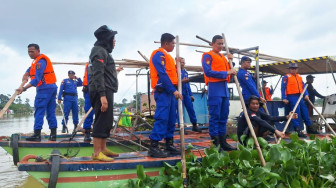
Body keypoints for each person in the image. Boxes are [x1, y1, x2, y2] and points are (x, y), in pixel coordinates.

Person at [148, 33, 183, 158]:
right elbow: (162, 74)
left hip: (170, 90)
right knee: (162, 117)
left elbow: (171, 73)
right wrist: (172, 90)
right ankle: (153, 146)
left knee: (171, 119)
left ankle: (169, 144)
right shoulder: (158, 55)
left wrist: (176, 64)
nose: (174, 45)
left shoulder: (167, 56)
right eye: (173, 43)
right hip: (163, 90)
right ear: (166, 43)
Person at [88, 25, 119, 161]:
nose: (114, 41)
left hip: (107, 89)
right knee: (100, 119)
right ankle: (96, 153)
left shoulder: (104, 52)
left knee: (106, 120)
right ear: (107, 39)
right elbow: (98, 74)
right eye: (113, 38)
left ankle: (103, 149)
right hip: (102, 90)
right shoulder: (98, 51)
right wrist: (102, 96)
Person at [201, 35, 236, 151]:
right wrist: (227, 72)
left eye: (222, 44)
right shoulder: (208, 55)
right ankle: (215, 142)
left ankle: (223, 141)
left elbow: (230, 70)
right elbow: (208, 71)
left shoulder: (222, 57)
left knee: (223, 116)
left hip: (224, 88)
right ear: (212, 44)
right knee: (215, 116)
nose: (220, 46)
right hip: (214, 87)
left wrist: (231, 60)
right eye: (218, 44)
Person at [17, 44, 58, 141]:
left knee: (39, 111)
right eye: (28, 52)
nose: (30, 54)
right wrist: (26, 73)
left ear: (38, 51)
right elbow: (30, 69)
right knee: (50, 112)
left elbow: (36, 80)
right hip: (51, 87)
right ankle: (53, 135)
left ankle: (37, 135)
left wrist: (24, 88)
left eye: (32, 51)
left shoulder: (41, 62)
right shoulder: (36, 61)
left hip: (45, 88)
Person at [82, 63, 124, 142]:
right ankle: (87, 132)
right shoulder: (92, 63)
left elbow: (106, 74)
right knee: (89, 110)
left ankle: (101, 133)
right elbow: (97, 75)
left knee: (102, 112)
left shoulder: (103, 63)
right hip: (92, 89)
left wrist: (116, 70)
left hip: (101, 89)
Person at [281, 63, 319, 137]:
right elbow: (283, 88)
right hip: (292, 96)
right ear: (289, 69)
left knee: (305, 111)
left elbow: (303, 87)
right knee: (296, 112)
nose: (293, 70)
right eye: (292, 68)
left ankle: (310, 128)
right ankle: (297, 129)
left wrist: (306, 94)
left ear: (297, 69)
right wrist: (284, 98)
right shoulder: (286, 77)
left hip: (300, 96)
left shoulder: (299, 77)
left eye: (295, 68)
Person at [179, 57, 201, 133]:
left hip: (186, 94)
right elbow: (174, 82)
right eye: (181, 62)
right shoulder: (175, 71)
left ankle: (194, 125)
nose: (183, 64)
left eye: (184, 62)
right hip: (179, 94)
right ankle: (181, 128)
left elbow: (187, 84)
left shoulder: (185, 72)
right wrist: (182, 81)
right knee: (180, 111)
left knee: (191, 109)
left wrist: (191, 94)